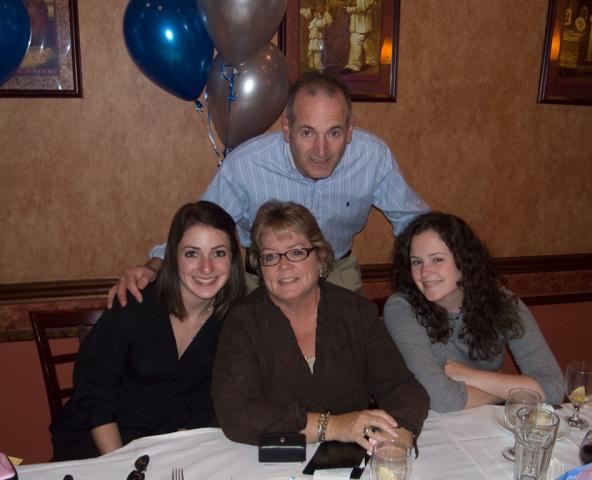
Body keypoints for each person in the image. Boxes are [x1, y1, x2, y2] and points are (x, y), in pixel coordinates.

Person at [108, 71, 427, 306]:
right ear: (287, 129)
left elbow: (415, 222)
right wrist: (154, 266)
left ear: (350, 130)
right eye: (307, 132)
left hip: (336, 270)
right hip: (261, 275)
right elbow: (198, 230)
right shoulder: (246, 164)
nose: (320, 150)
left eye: (333, 133)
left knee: (349, 363)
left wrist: (448, 263)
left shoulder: (374, 157)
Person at [211, 201, 429, 451]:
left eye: (296, 252)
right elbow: (237, 414)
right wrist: (333, 426)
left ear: (320, 258)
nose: (283, 266)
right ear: (260, 268)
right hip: (270, 464)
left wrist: (400, 433)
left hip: (349, 460)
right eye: (270, 256)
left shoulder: (356, 312)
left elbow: (402, 387)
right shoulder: (242, 321)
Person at [50, 201, 245, 460]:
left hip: (161, 450)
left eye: (218, 253)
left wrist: (171, 458)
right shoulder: (135, 304)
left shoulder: (229, 323)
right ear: (173, 257)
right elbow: (96, 397)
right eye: (192, 253)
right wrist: (122, 465)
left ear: (232, 260)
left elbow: (203, 406)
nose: (206, 267)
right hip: (97, 446)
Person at [383, 212, 564, 414]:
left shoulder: (502, 302)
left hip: (489, 422)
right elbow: (440, 399)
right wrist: (508, 390)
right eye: (417, 262)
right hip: (432, 424)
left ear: (464, 260)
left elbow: (555, 387)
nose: (425, 272)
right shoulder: (402, 308)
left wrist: (470, 376)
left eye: (437, 259)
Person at [343, 0, 378, 73]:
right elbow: (349, 8)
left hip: (364, 20)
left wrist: (355, 3)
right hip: (356, 21)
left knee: (360, 41)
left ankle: (354, 65)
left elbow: (367, 4)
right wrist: (350, 5)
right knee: (366, 42)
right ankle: (372, 61)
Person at [300, 2, 333, 72]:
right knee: (311, 53)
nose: (315, 13)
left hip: (318, 40)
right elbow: (303, 11)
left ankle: (319, 68)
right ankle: (312, 67)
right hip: (312, 39)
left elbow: (327, 22)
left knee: (318, 54)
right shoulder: (313, 20)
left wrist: (326, 12)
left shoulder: (322, 20)